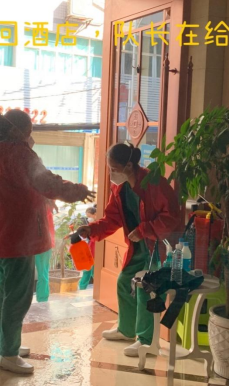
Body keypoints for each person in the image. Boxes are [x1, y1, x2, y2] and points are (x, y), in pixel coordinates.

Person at [0, 109, 94, 374]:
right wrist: (78, 191)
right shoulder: (19, 154)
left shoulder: (1, 154)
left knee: (5, 291)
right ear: (18, 130)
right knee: (17, 297)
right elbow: (46, 181)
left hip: (6, 232)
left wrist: (42, 199)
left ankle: (2, 344)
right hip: (18, 235)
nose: (31, 136)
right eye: (29, 131)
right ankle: (9, 354)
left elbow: (23, 187)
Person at [77, 142, 180, 357]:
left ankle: (146, 341)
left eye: (114, 169)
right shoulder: (119, 188)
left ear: (129, 166)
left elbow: (171, 218)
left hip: (160, 248)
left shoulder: (155, 183)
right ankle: (127, 329)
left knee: (146, 288)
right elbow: (111, 219)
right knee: (124, 282)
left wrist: (144, 230)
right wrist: (91, 229)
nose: (111, 174)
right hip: (139, 248)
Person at [34, 202, 56, 302]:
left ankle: (42, 299)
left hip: (42, 245)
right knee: (43, 273)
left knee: (42, 274)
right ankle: (42, 299)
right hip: (40, 244)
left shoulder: (45, 209)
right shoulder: (46, 207)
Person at [78, 205, 97, 290]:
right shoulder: (90, 225)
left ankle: (97, 288)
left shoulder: (98, 226)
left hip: (95, 251)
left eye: (89, 216)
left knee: (93, 272)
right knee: (87, 271)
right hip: (90, 250)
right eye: (87, 216)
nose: (88, 218)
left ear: (95, 214)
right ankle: (82, 288)